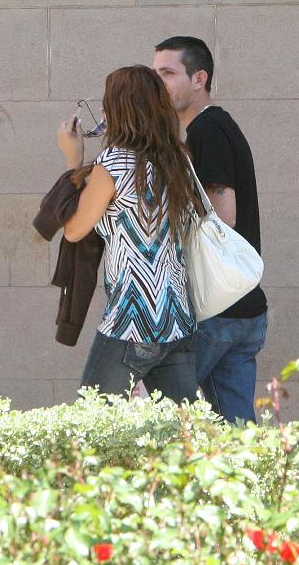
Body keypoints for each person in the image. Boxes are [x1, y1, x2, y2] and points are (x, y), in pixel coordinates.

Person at [56, 65, 204, 403]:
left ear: (118, 111)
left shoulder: (113, 164)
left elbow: (75, 229)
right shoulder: (178, 160)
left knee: (90, 428)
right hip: (177, 320)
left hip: (130, 321)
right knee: (189, 439)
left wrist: (73, 159)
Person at [153, 37, 268, 423]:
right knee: (238, 431)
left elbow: (223, 215)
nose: (159, 84)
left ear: (199, 78)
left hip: (214, 309)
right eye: (155, 74)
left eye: (168, 73)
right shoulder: (212, 128)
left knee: (155, 416)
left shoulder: (208, 129)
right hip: (243, 308)